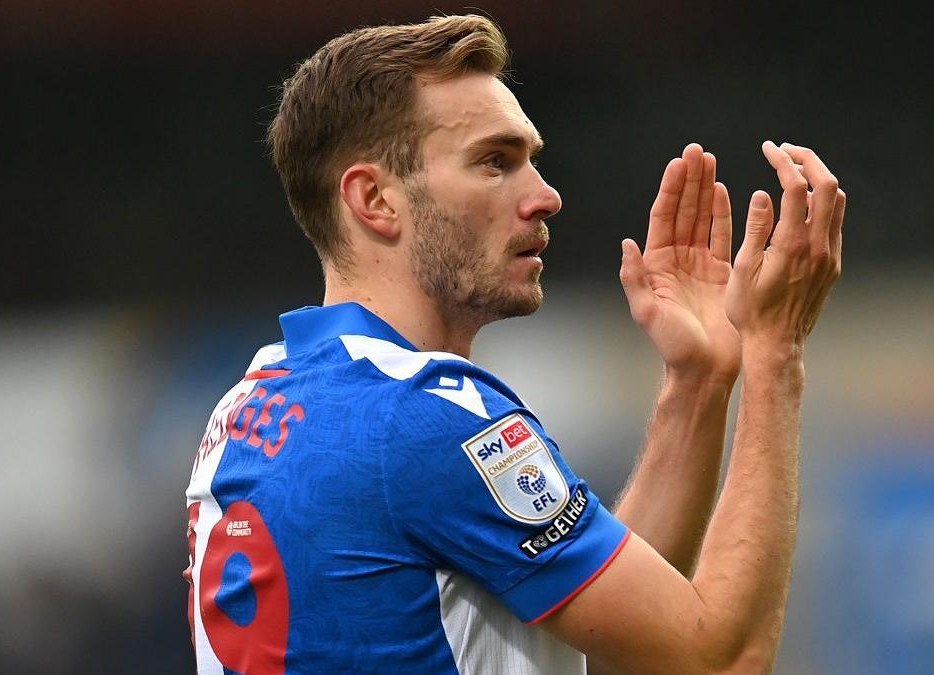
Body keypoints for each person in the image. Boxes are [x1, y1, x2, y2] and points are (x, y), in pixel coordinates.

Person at [183, 14, 844, 675]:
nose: (546, 196)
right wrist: (775, 351)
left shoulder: (251, 402)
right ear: (375, 199)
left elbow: (618, 630)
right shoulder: (422, 414)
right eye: (494, 162)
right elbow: (720, 657)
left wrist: (697, 383)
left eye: (532, 161)